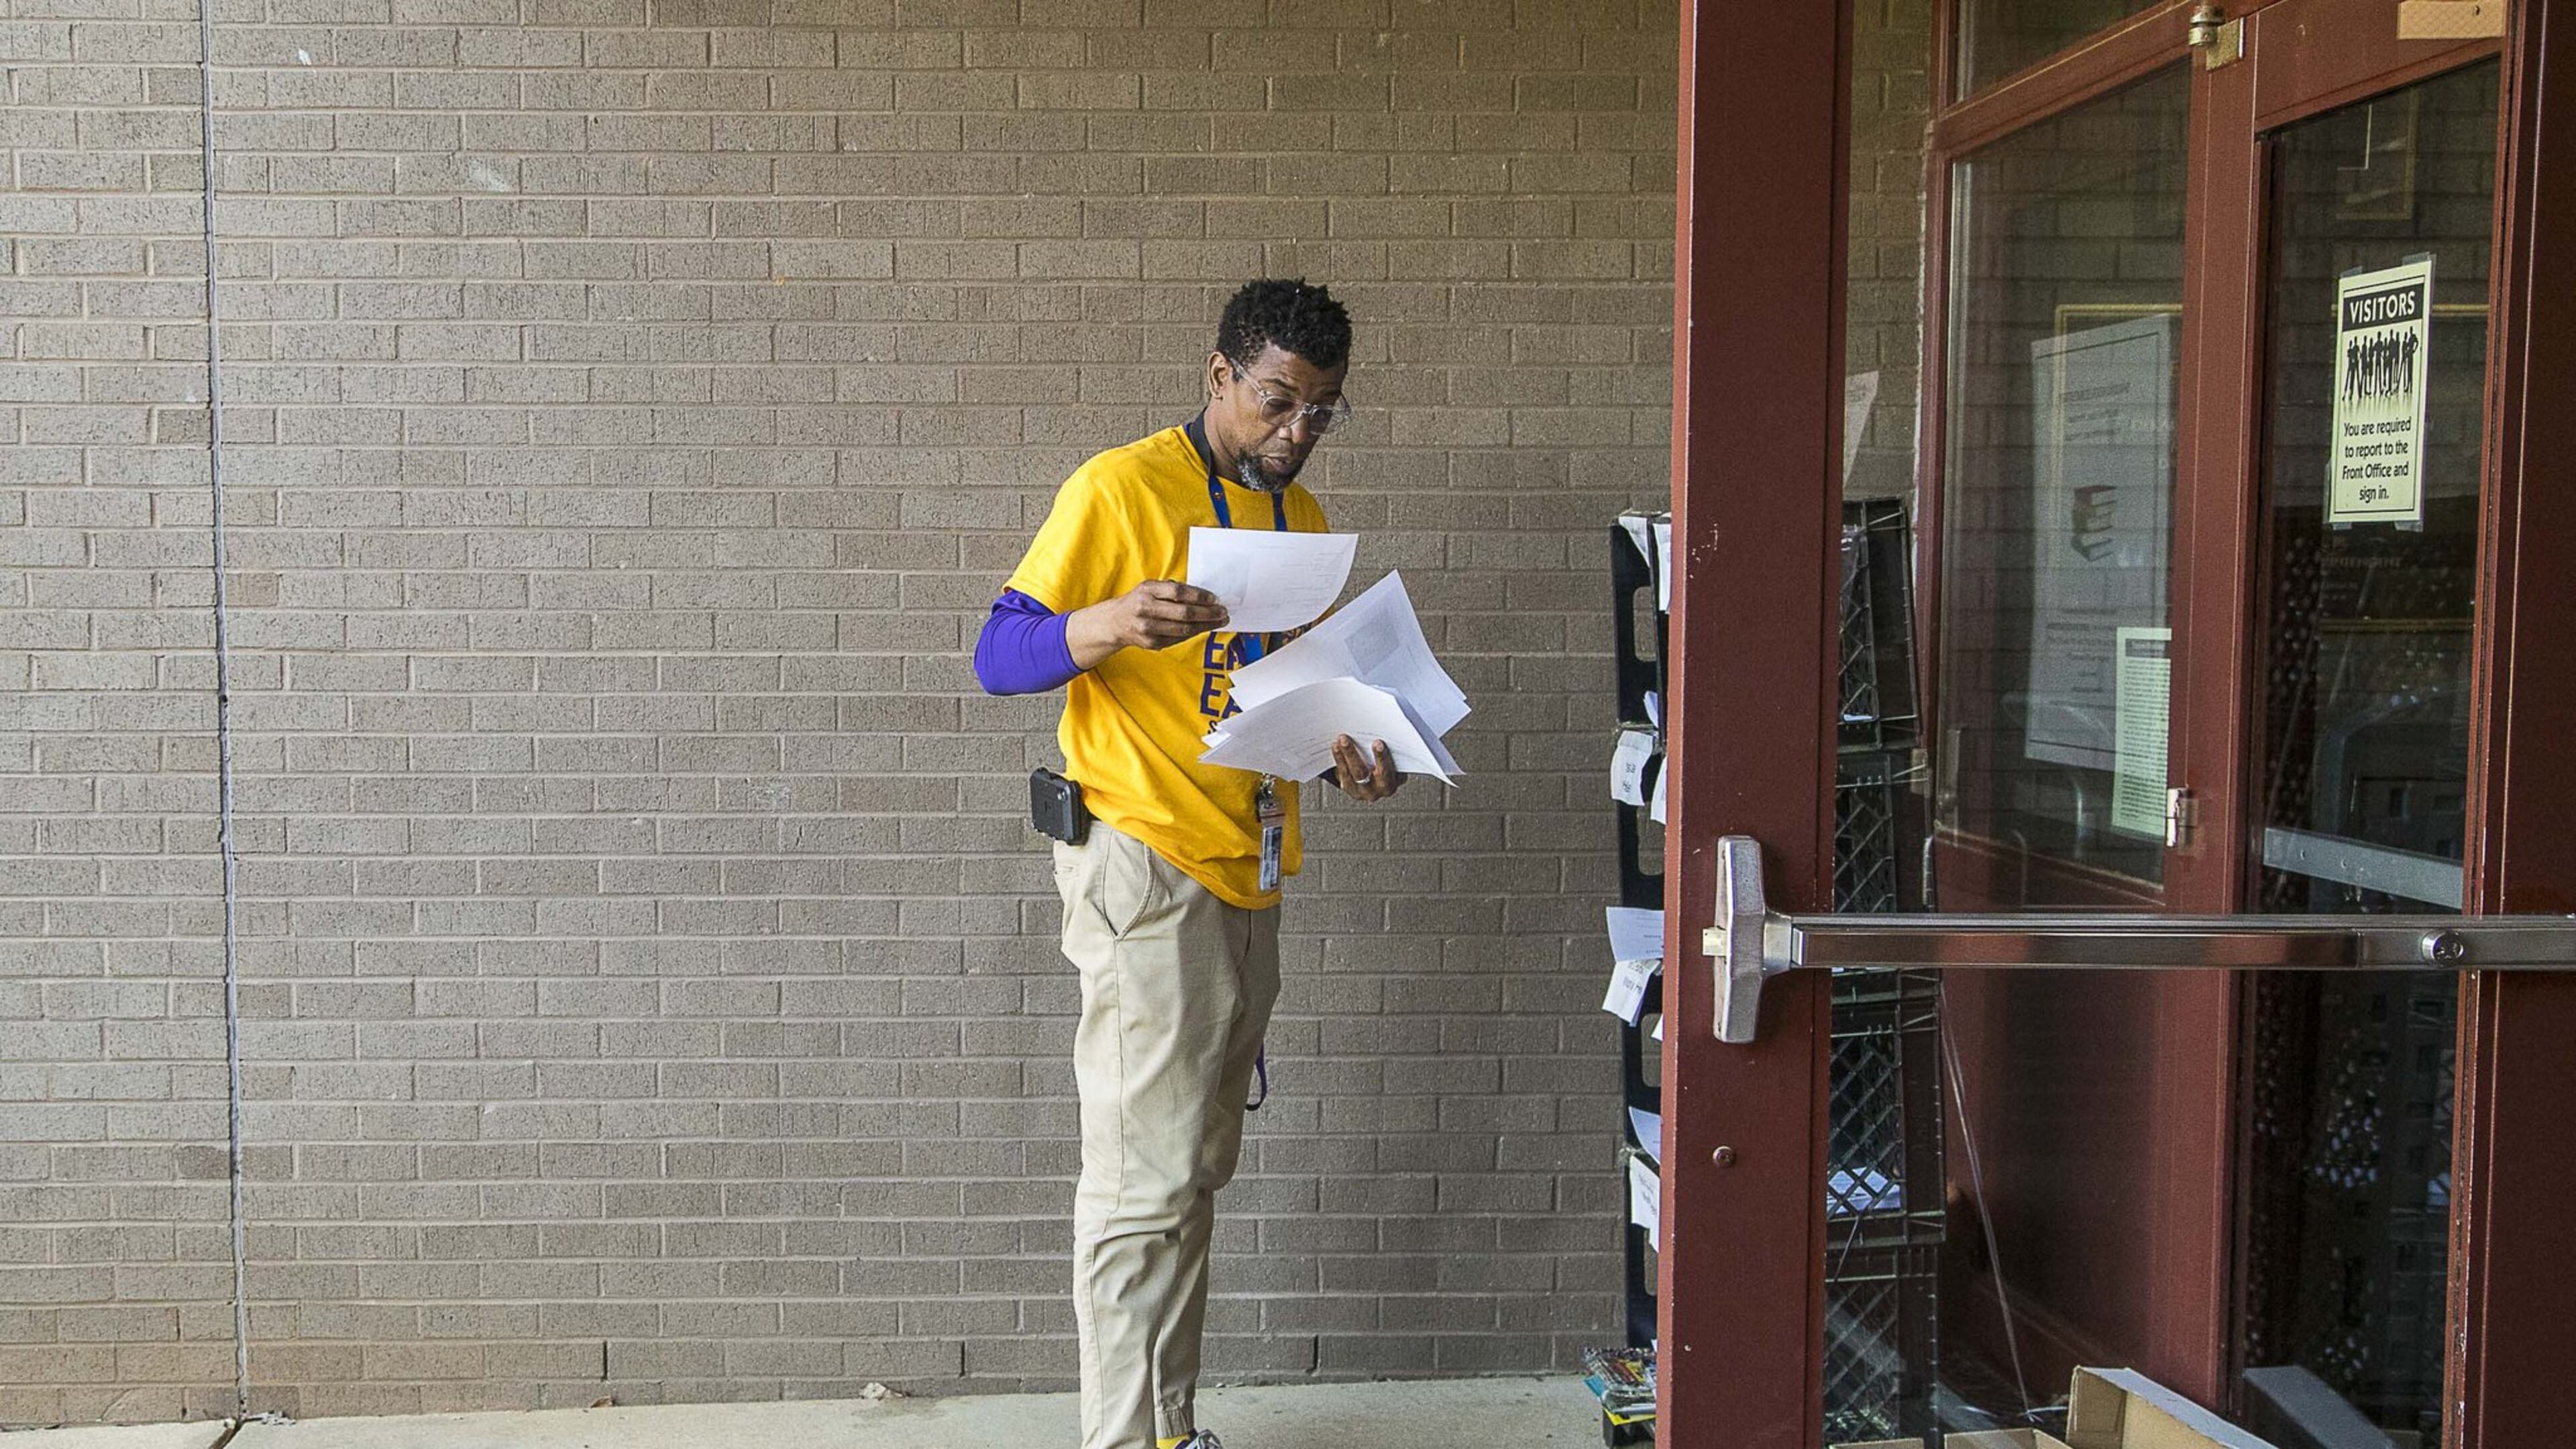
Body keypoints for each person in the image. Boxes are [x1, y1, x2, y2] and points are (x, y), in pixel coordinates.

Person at [973, 278, 1404, 1449]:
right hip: (1145, 867)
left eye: (1323, 413)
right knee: (1139, 1188)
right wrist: (1106, 624)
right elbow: (998, 654)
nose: (1297, 433)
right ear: (1220, 376)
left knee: (1193, 1174)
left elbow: (1287, 700)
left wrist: (1356, 754)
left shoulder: (1300, 523)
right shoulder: (1120, 488)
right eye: (1278, 403)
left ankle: (1169, 1430)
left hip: (1250, 869)